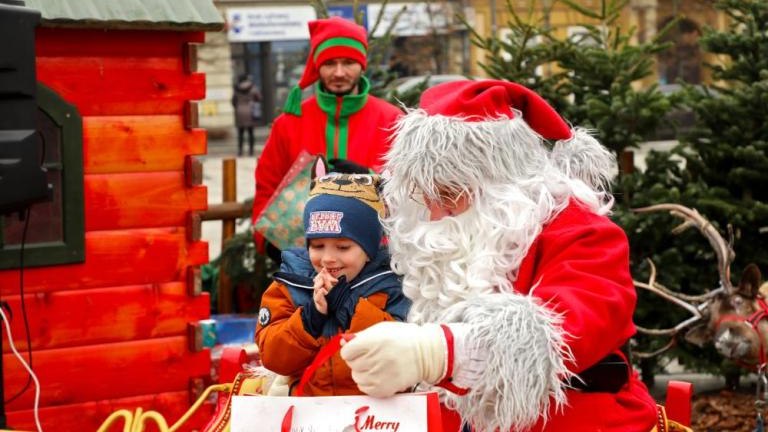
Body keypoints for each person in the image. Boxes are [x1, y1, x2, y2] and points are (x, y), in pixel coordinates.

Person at [339, 80, 665, 431]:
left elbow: (572, 326)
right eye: (423, 195)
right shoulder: (425, 239)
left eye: (450, 192)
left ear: (501, 182)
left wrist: (439, 352)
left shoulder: (581, 231)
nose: (435, 213)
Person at [252, 17, 402, 262]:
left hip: (377, 257)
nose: (339, 72)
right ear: (317, 66)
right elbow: (266, 186)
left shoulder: (392, 120)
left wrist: (373, 179)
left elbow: (410, 190)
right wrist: (269, 244)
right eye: (330, 63)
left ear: (362, 65)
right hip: (305, 256)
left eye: (349, 62)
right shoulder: (289, 123)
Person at [255, 164, 410, 396]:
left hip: (376, 417)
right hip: (309, 415)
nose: (328, 259)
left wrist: (352, 308)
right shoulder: (289, 286)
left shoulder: (393, 285)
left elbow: (402, 353)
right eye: (317, 246)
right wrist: (309, 319)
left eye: (343, 247)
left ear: (368, 248)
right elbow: (273, 357)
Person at [231, 74, 262, 156]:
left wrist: (238, 106)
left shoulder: (236, 89)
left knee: (240, 133)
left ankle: (240, 151)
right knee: (251, 133)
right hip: (250, 111)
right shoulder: (253, 88)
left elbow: (233, 101)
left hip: (239, 111)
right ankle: (251, 151)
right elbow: (259, 98)